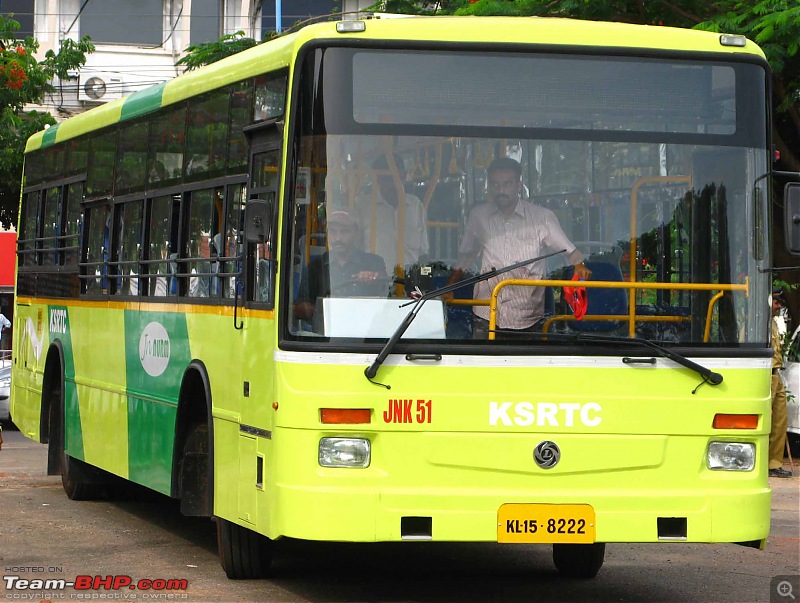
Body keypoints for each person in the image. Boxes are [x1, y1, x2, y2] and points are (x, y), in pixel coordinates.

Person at [452, 157, 591, 338]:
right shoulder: (478, 216)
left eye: (507, 184)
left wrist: (580, 267)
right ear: (489, 186)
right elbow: (466, 257)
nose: (501, 190)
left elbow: (571, 253)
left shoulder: (542, 218)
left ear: (519, 185)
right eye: (495, 185)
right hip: (486, 313)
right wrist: (450, 287)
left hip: (528, 316)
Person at [294, 209, 388, 321]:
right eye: (333, 232)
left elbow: (386, 300)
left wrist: (375, 279)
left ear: (356, 233)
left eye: (344, 232)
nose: (337, 238)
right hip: (327, 334)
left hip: (366, 330)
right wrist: (326, 310)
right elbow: (300, 307)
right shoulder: (316, 266)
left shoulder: (374, 262)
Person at [357, 153, 429, 276]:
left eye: (396, 178)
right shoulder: (362, 205)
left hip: (410, 283)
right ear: (377, 180)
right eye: (386, 179)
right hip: (374, 284)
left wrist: (425, 278)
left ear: (404, 176)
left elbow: (423, 252)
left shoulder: (416, 205)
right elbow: (354, 250)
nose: (392, 184)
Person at [769, 291, 792, 478]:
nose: (778, 306)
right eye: (776, 302)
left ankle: (773, 464)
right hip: (766, 376)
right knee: (765, 420)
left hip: (777, 375)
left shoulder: (775, 324)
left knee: (779, 420)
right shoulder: (756, 324)